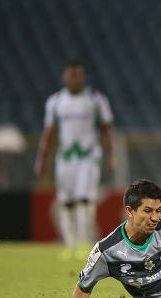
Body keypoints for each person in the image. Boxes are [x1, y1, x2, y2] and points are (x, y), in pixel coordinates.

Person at [34, 60, 115, 259]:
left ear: (83, 77)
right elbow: (49, 133)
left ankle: (83, 244)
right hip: (66, 158)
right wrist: (41, 160)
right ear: (64, 77)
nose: (74, 78)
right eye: (70, 74)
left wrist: (111, 156)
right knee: (66, 201)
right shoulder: (55, 101)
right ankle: (69, 244)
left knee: (84, 198)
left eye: (78, 74)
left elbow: (107, 130)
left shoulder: (96, 100)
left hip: (88, 156)